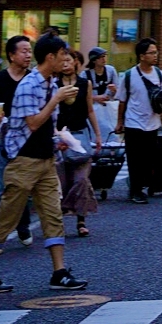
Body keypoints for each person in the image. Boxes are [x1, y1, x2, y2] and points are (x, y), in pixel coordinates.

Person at [0, 33, 88, 293]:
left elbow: (47, 124)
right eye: (63, 55)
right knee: (6, 218)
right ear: (50, 57)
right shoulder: (29, 85)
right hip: (23, 161)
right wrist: (56, 99)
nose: (66, 60)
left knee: (53, 215)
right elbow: (33, 123)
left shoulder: (51, 83)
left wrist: (60, 139)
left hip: (46, 159)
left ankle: (59, 272)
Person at [0, 34, 35, 248]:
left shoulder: (33, 79)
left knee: (22, 186)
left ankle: (23, 227)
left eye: (29, 51)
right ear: (12, 55)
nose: (28, 55)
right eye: (23, 51)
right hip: (1, 138)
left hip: (26, 141)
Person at [115, 38, 162, 203]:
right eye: (151, 53)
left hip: (152, 123)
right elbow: (122, 101)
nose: (155, 55)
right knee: (134, 158)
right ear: (141, 56)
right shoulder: (129, 76)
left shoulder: (160, 75)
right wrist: (120, 122)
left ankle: (138, 184)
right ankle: (136, 190)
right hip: (133, 123)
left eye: (156, 52)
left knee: (148, 159)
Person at [55, 49, 101, 236]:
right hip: (59, 136)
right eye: (62, 61)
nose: (65, 64)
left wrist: (98, 134)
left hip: (80, 135)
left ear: (76, 62)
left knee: (81, 179)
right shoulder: (53, 84)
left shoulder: (85, 84)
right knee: (62, 181)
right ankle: (59, 217)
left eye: (69, 60)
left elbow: (90, 110)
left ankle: (81, 220)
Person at [87, 49, 119, 145]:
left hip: (109, 110)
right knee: (94, 135)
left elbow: (119, 93)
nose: (103, 59)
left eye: (104, 56)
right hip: (94, 110)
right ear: (94, 60)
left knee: (111, 136)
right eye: (100, 57)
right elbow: (81, 95)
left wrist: (114, 90)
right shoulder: (86, 75)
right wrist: (95, 98)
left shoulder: (111, 70)